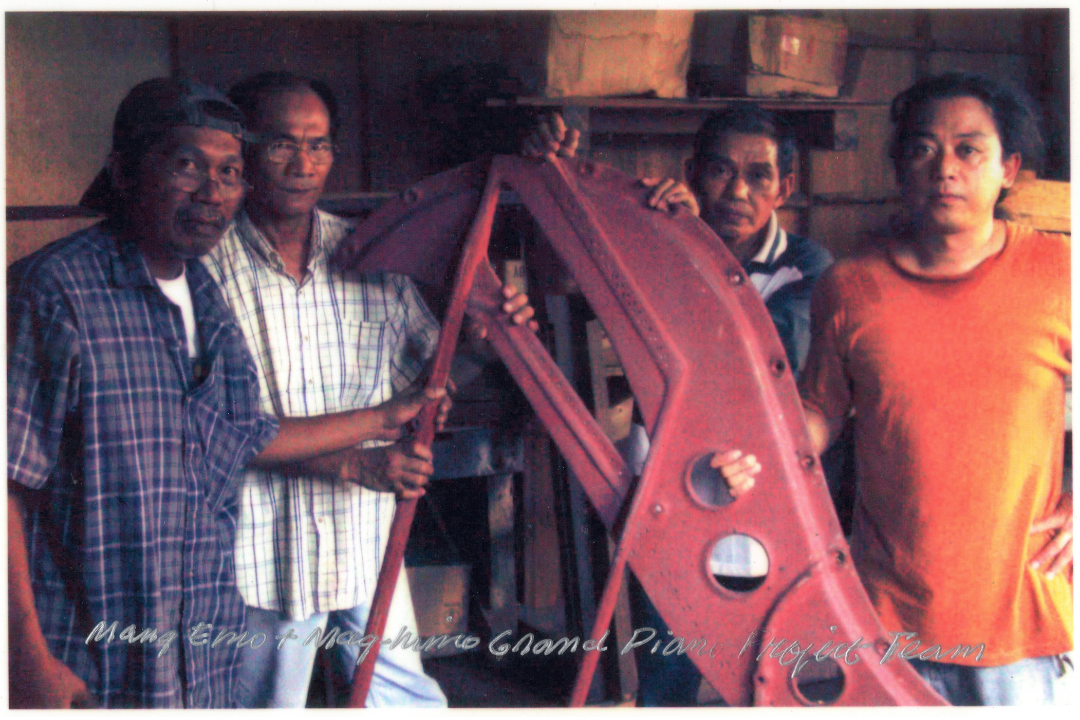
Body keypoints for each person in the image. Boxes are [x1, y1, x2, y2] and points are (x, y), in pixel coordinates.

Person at [720, 73, 1072, 705]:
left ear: (1008, 169)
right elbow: (820, 409)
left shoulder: (1056, 273)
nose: (945, 169)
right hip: (886, 620)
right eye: (922, 150)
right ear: (899, 168)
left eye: (969, 150)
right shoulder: (851, 287)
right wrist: (760, 448)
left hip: (1020, 622)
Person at [201, 71, 536, 708]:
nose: (303, 164)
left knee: (406, 699)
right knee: (266, 705)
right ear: (242, 150)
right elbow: (216, 431)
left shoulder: (364, 249)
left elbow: (428, 375)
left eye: (319, 145)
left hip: (360, 534)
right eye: (281, 145)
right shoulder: (207, 265)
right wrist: (357, 460)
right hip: (258, 549)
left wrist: (478, 338)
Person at [526, 108, 834, 705]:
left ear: (785, 188)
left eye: (759, 176)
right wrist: (553, 167)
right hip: (667, 491)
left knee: (760, 670)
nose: (737, 191)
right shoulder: (652, 238)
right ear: (692, 173)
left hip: (763, 502)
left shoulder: (808, 265)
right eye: (719, 171)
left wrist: (690, 248)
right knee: (667, 669)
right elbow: (561, 273)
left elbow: (751, 366)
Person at [7, 78, 279, 708]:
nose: (212, 192)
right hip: (84, 660)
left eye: (231, 172)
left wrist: (376, 430)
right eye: (186, 165)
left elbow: (239, 437)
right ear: (123, 173)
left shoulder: (207, 296)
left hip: (202, 662)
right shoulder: (53, 290)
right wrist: (25, 657)